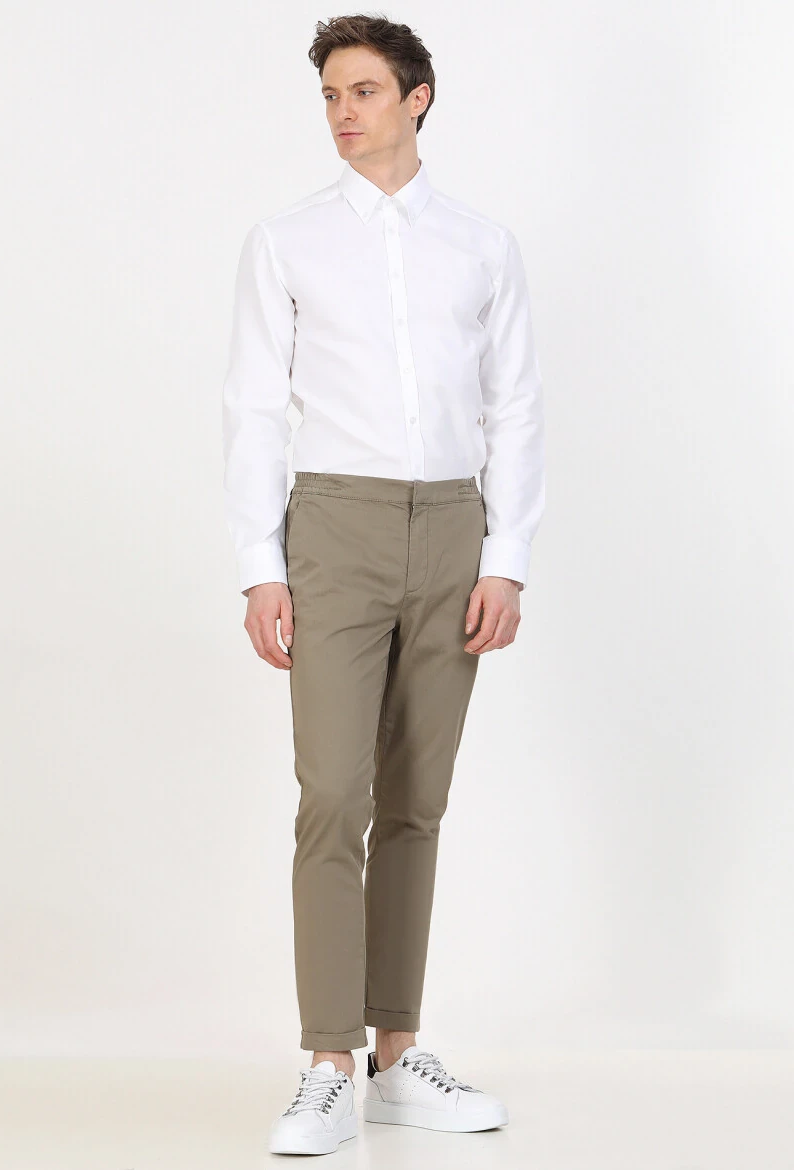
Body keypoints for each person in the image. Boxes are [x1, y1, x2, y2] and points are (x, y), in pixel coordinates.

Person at [221, 13, 545, 1157]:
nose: (341, 112)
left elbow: (513, 407)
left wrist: (503, 557)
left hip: (452, 526)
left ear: (417, 98)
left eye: (362, 90)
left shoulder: (480, 245)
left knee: (416, 801)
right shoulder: (287, 242)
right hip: (333, 526)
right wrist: (260, 568)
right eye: (328, 94)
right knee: (330, 794)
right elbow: (254, 409)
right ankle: (325, 1062)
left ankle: (397, 1058)